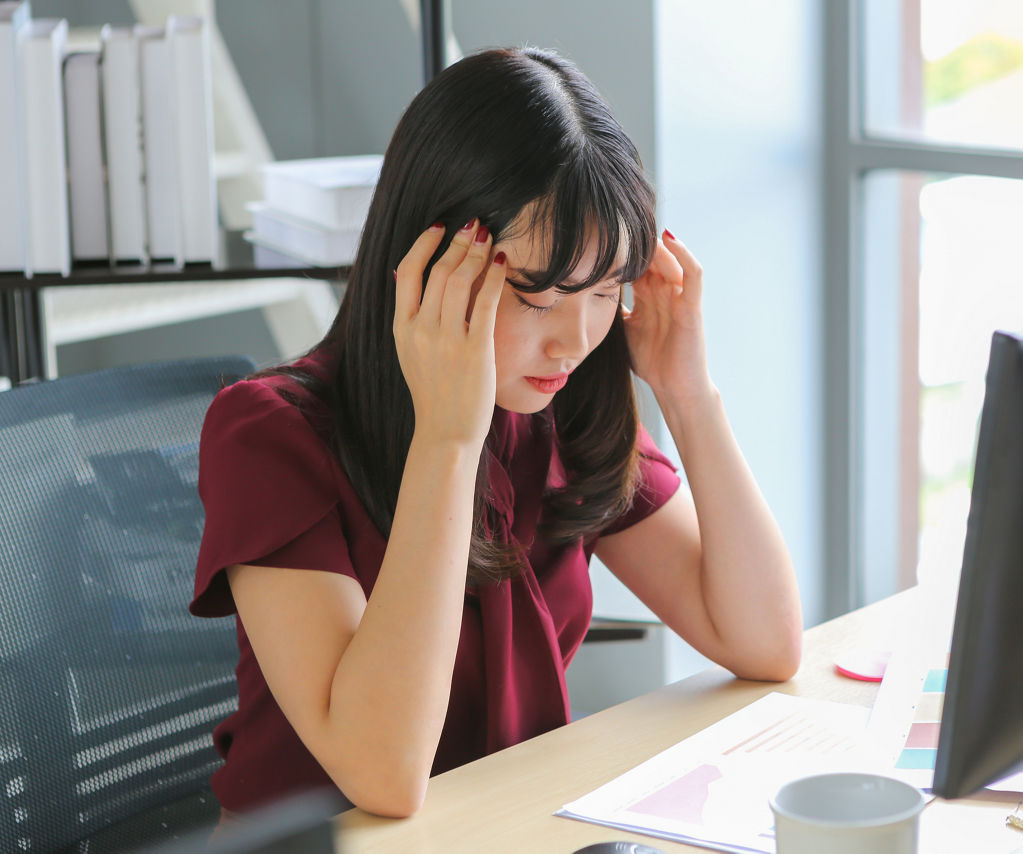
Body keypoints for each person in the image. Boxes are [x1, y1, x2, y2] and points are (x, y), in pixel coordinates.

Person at [190, 46, 802, 819]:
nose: (574, 342)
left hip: (506, 826)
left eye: (605, 291)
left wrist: (688, 394)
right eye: (537, 298)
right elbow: (383, 775)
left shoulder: (555, 406)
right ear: (431, 262)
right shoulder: (269, 435)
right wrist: (447, 442)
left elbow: (764, 641)